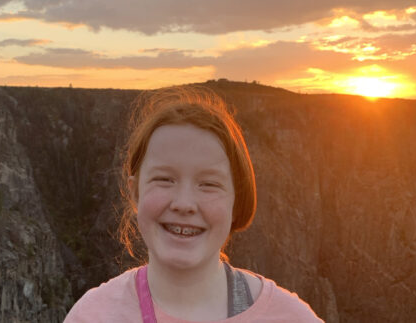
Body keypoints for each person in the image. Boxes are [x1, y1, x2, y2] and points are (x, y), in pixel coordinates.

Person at [64, 86, 323, 322]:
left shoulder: (291, 318)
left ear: (237, 199)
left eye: (209, 184)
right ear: (135, 193)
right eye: (164, 179)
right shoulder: (91, 316)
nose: (184, 204)